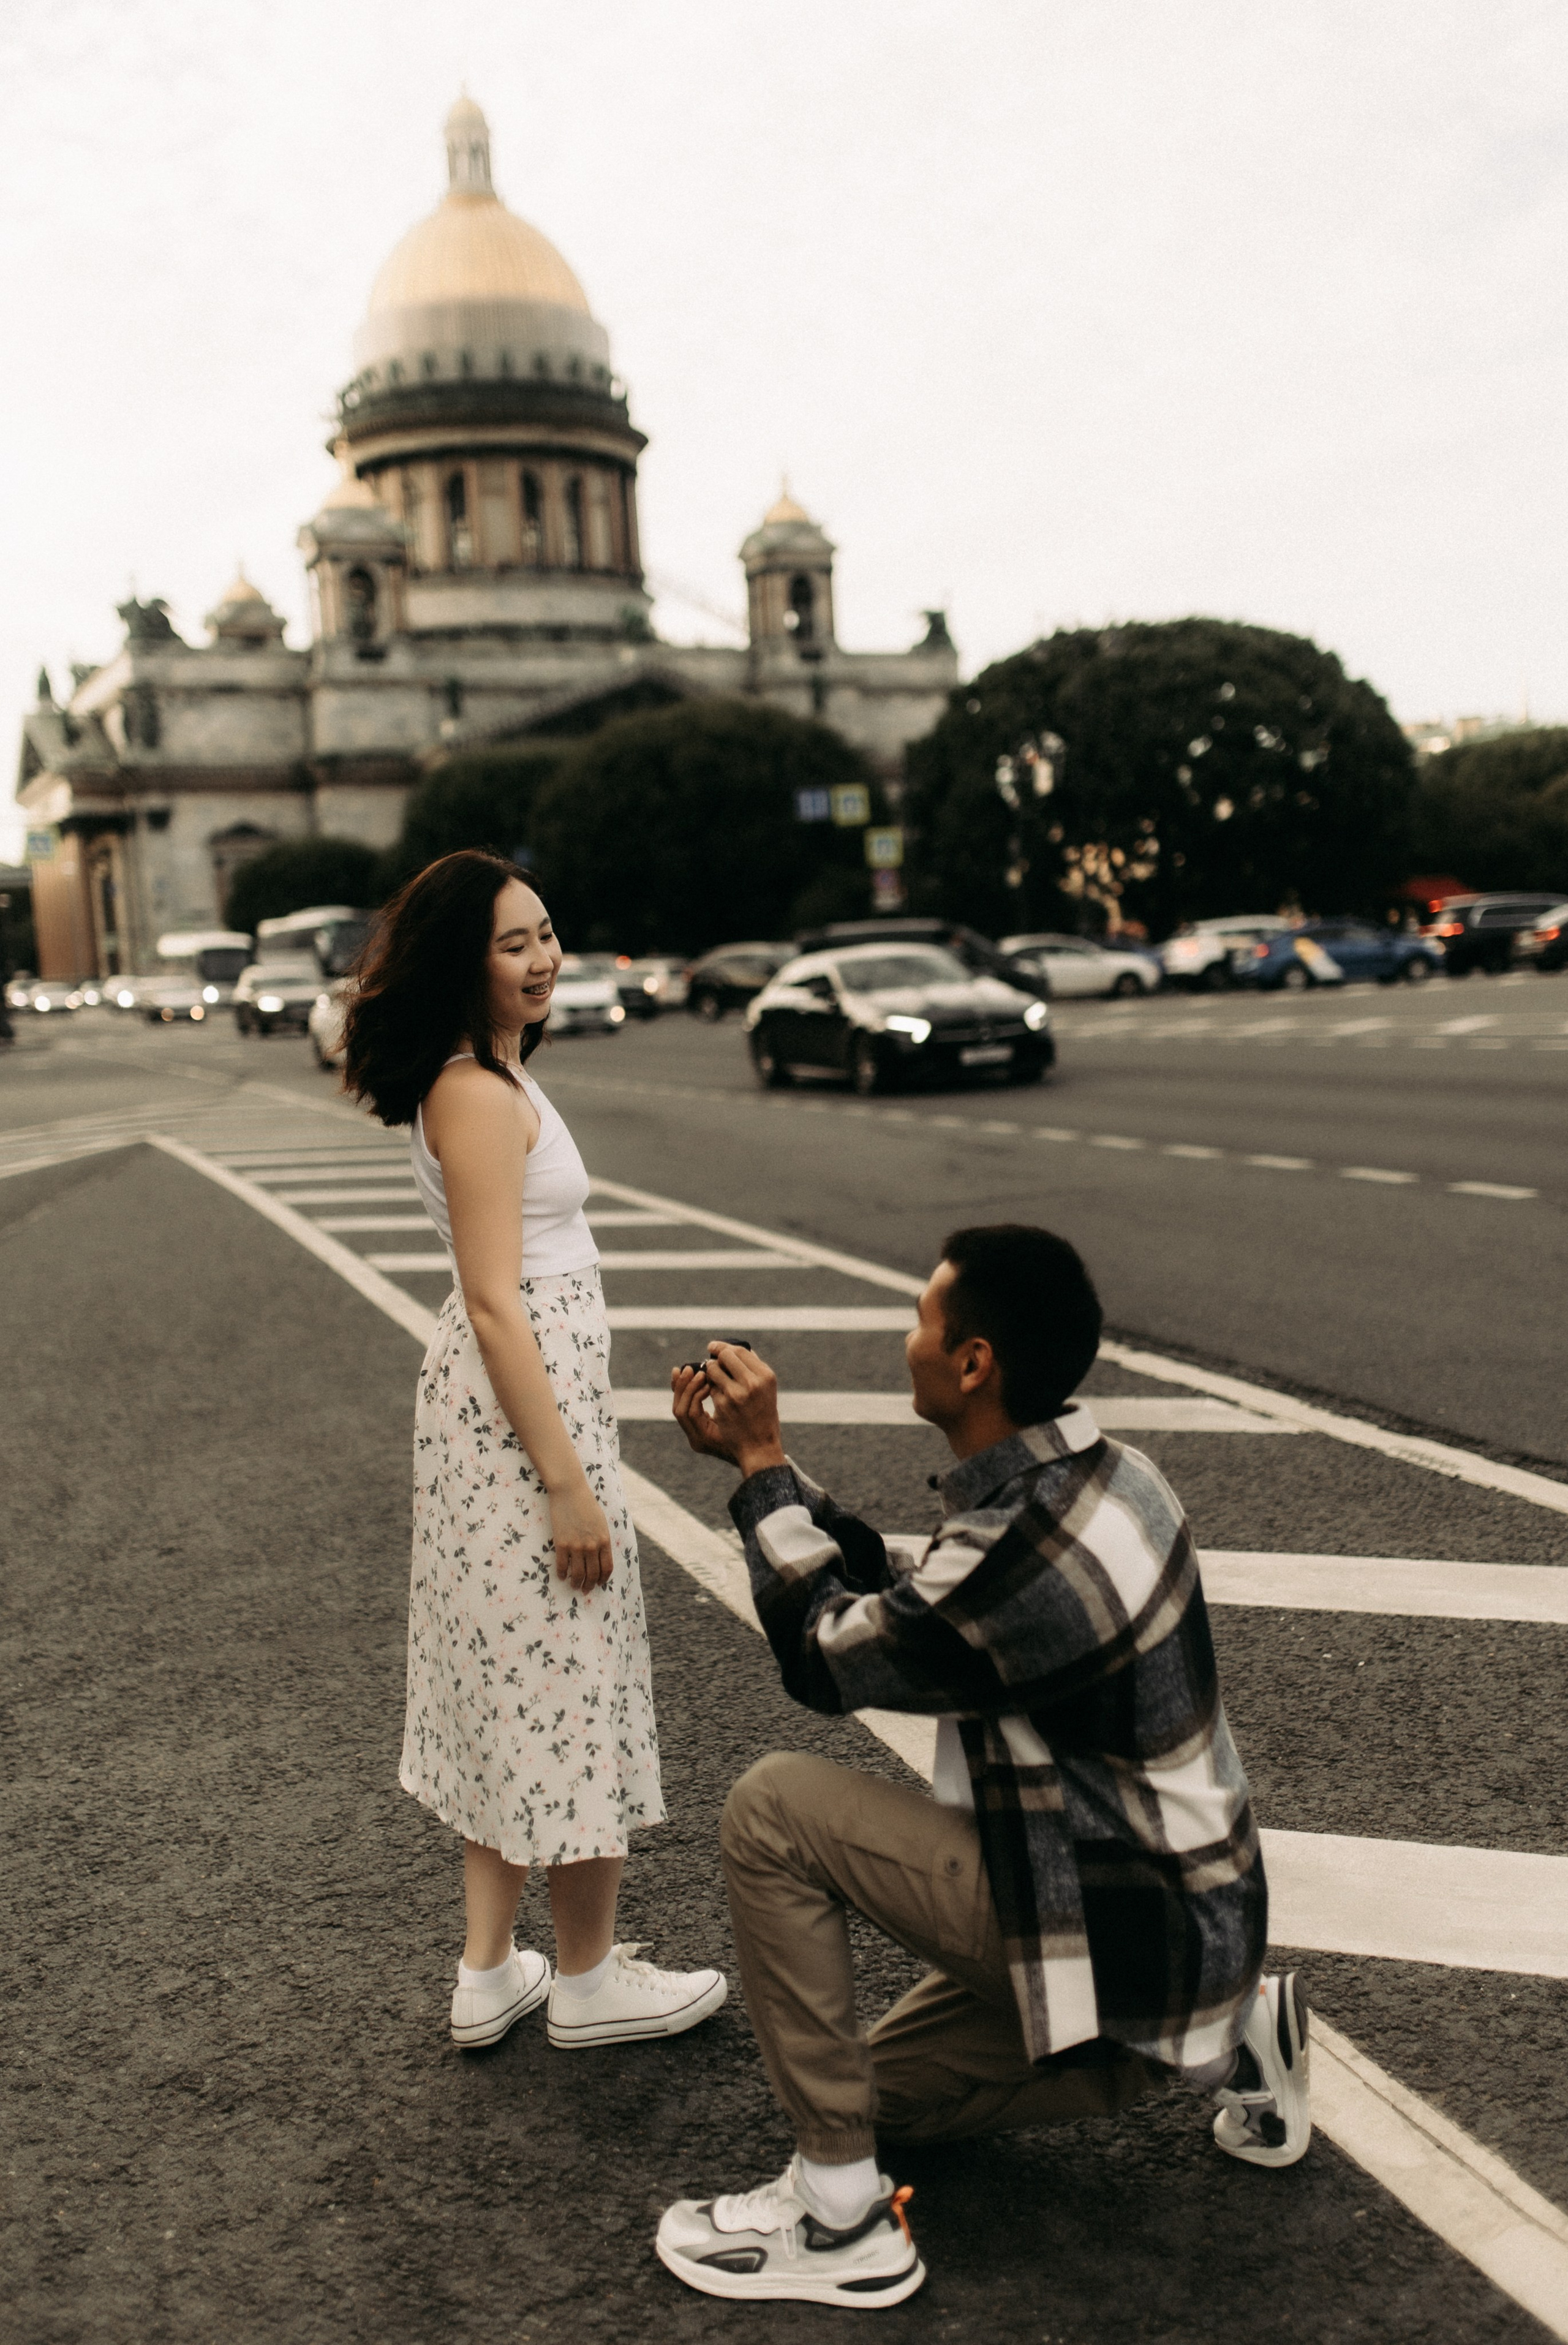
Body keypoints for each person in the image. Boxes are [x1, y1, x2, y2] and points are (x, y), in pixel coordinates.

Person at [656, 1223, 1306, 2309]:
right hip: (1185, 1931)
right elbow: (922, 1604)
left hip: (1122, 1936)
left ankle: (840, 2221)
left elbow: (827, 1654)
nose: (907, 1338)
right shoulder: (1111, 1481)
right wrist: (769, 1473)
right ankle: (1238, 2038)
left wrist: (763, 1468)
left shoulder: (1024, 1550)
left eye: (923, 1320)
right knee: (875, 2102)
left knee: (772, 1809)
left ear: (973, 1364)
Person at [343, 851, 725, 2054]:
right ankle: (590, 1979)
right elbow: (494, 1300)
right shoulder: (472, 1091)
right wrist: (566, 1483)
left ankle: (489, 1971)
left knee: (511, 1679)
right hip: (521, 1419)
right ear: (463, 962)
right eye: (513, 944)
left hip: (515, 1408)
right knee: (568, 1676)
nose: (544, 957)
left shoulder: (493, 1075)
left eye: (547, 933)